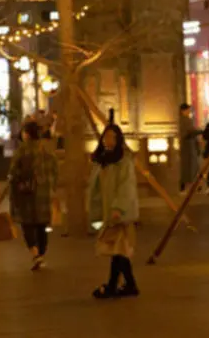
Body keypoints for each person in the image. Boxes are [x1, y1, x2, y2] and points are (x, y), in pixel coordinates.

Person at [89, 122, 140, 300]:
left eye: (112, 137)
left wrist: (118, 208)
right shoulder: (103, 160)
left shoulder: (124, 161)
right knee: (119, 249)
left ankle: (112, 286)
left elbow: (126, 186)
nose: (108, 140)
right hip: (107, 210)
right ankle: (130, 285)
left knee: (118, 248)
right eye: (106, 136)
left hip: (120, 212)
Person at [9, 120, 58, 270]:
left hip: (26, 195)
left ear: (27, 134)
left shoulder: (22, 150)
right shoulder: (47, 150)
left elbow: (14, 172)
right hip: (43, 195)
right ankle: (41, 253)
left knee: (28, 225)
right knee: (41, 225)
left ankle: (35, 254)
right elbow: (55, 172)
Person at [178, 104, 201, 195]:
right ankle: (185, 187)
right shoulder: (184, 121)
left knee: (192, 167)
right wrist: (199, 131)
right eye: (187, 110)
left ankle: (194, 186)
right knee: (188, 167)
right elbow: (189, 132)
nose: (189, 112)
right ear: (182, 111)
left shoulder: (187, 120)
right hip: (187, 146)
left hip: (190, 145)